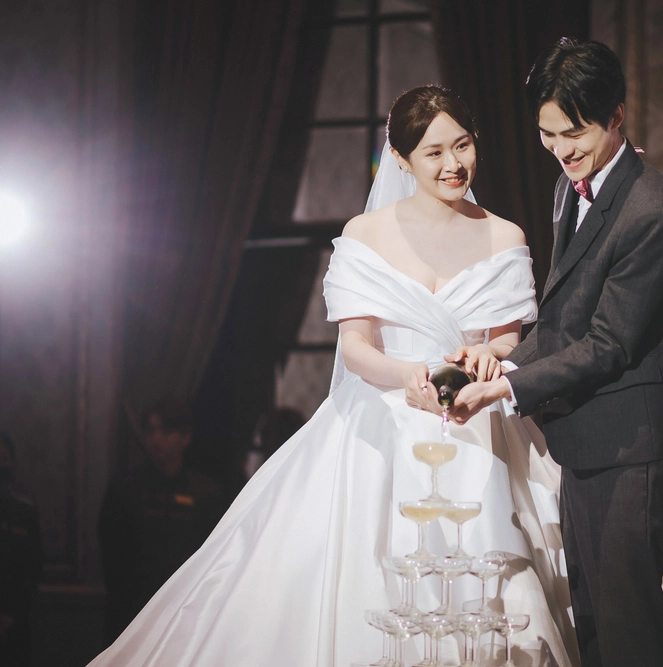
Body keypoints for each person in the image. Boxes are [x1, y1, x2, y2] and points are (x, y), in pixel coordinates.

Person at [89, 85, 576, 667]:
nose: (453, 164)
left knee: (497, 569)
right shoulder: (366, 234)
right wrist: (409, 375)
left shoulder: (504, 234)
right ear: (400, 159)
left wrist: (489, 355)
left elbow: (506, 339)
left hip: (476, 419)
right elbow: (357, 349)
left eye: (463, 145)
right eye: (433, 152)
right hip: (382, 419)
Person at [450, 38, 663, 666]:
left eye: (574, 133)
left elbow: (609, 342)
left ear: (616, 115)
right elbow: (564, 318)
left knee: (626, 631)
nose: (561, 150)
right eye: (547, 134)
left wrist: (508, 389)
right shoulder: (572, 188)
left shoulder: (654, 211)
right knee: (590, 621)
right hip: (587, 442)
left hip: (633, 450)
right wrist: (501, 361)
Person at [98, 401, 226, 645]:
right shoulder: (125, 489)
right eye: (150, 431)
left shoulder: (206, 494)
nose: (156, 439)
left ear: (185, 438)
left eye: (166, 431)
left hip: (186, 610)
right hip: (132, 610)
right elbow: (112, 553)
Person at [0, 431, 42, 667]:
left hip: (16, 621)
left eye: (4, 459)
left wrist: (10, 614)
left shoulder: (24, 509)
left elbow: (32, 566)